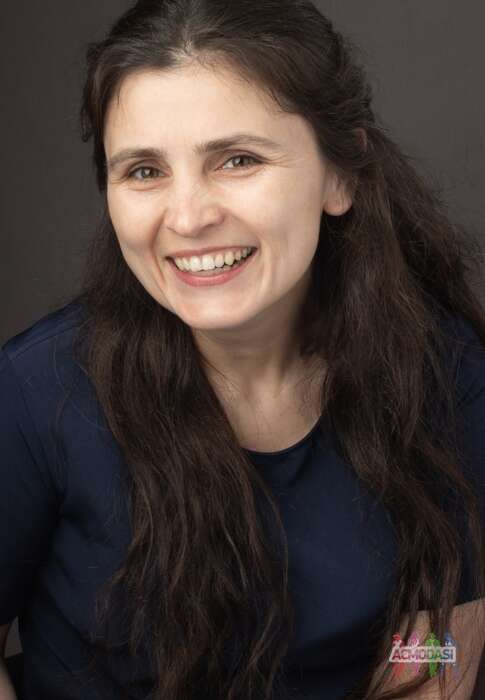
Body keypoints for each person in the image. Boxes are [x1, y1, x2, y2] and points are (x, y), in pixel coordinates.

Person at [1, 1, 485, 698]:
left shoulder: (445, 373)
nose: (189, 216)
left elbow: (435, 640)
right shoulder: (32, 392)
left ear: (339, 175)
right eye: (144, 171)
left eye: (238, 159)